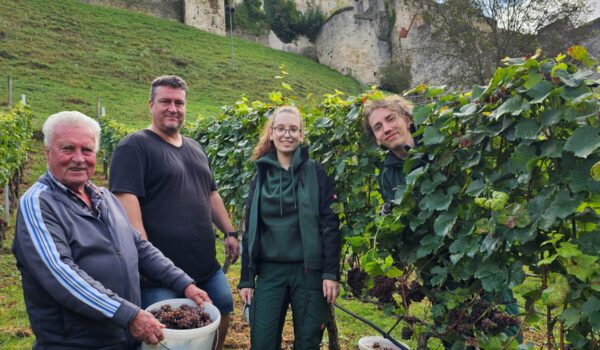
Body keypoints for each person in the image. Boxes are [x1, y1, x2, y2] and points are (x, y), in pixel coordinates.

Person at [12, 111, 211, 349]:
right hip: (76, 343)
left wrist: (183, 283)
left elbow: (139, 246)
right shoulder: (39, 203)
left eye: (87, 150)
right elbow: (60, 272)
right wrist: (129, 315)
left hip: (122, 338)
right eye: (68, 149)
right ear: (47, 152)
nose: (79, 158)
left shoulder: (103, 197)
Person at [109, 75, 238, 350]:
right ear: (150, 104)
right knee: (164, 332)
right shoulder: (134, 146)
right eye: (165, 101)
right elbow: (128, 209)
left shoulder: (195, 147)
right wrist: (147, 261)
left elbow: (211, 193)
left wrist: (229, 231)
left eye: (179, 102)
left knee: (223, 307)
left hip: (205, 264)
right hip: (160, 272)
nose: (173, 108)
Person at [238, 106, 341, 350]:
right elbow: (250, 228)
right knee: (262, 342)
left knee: (308, 343)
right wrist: (246, 278)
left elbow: (329, 224)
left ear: (302, 134)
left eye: (294, 129)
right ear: (271, 134)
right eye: (281, 128)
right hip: (270, 271)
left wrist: (329, 273)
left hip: (308, 272)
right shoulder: (261, 175)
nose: (287, 134)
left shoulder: (315, 172)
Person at [362, 95, 418, 214]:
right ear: (377, 140)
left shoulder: (437, 150)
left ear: (407, 120)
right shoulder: (386, 176)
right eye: (378, 127)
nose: (386, 129)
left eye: (391, 119)